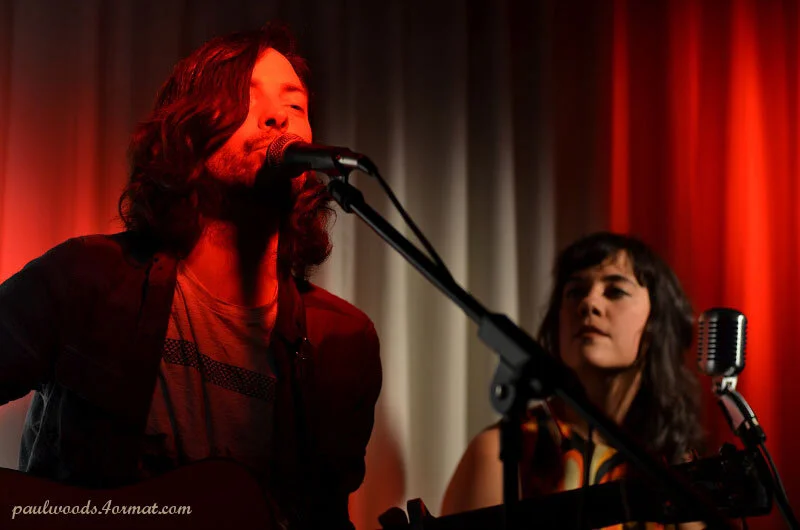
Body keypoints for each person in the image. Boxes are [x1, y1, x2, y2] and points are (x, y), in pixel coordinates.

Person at [0, 22, 382, 530]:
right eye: (250, 98)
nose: (279, 117)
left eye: (296, 106)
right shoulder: (86, 279)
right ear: (188, 133)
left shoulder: (343, 345)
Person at [441, 232, 704, 529]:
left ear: (657, 323)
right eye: (575, 291)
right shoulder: (504, 453)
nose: (589, 303)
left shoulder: (674, 466)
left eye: (615, 291)